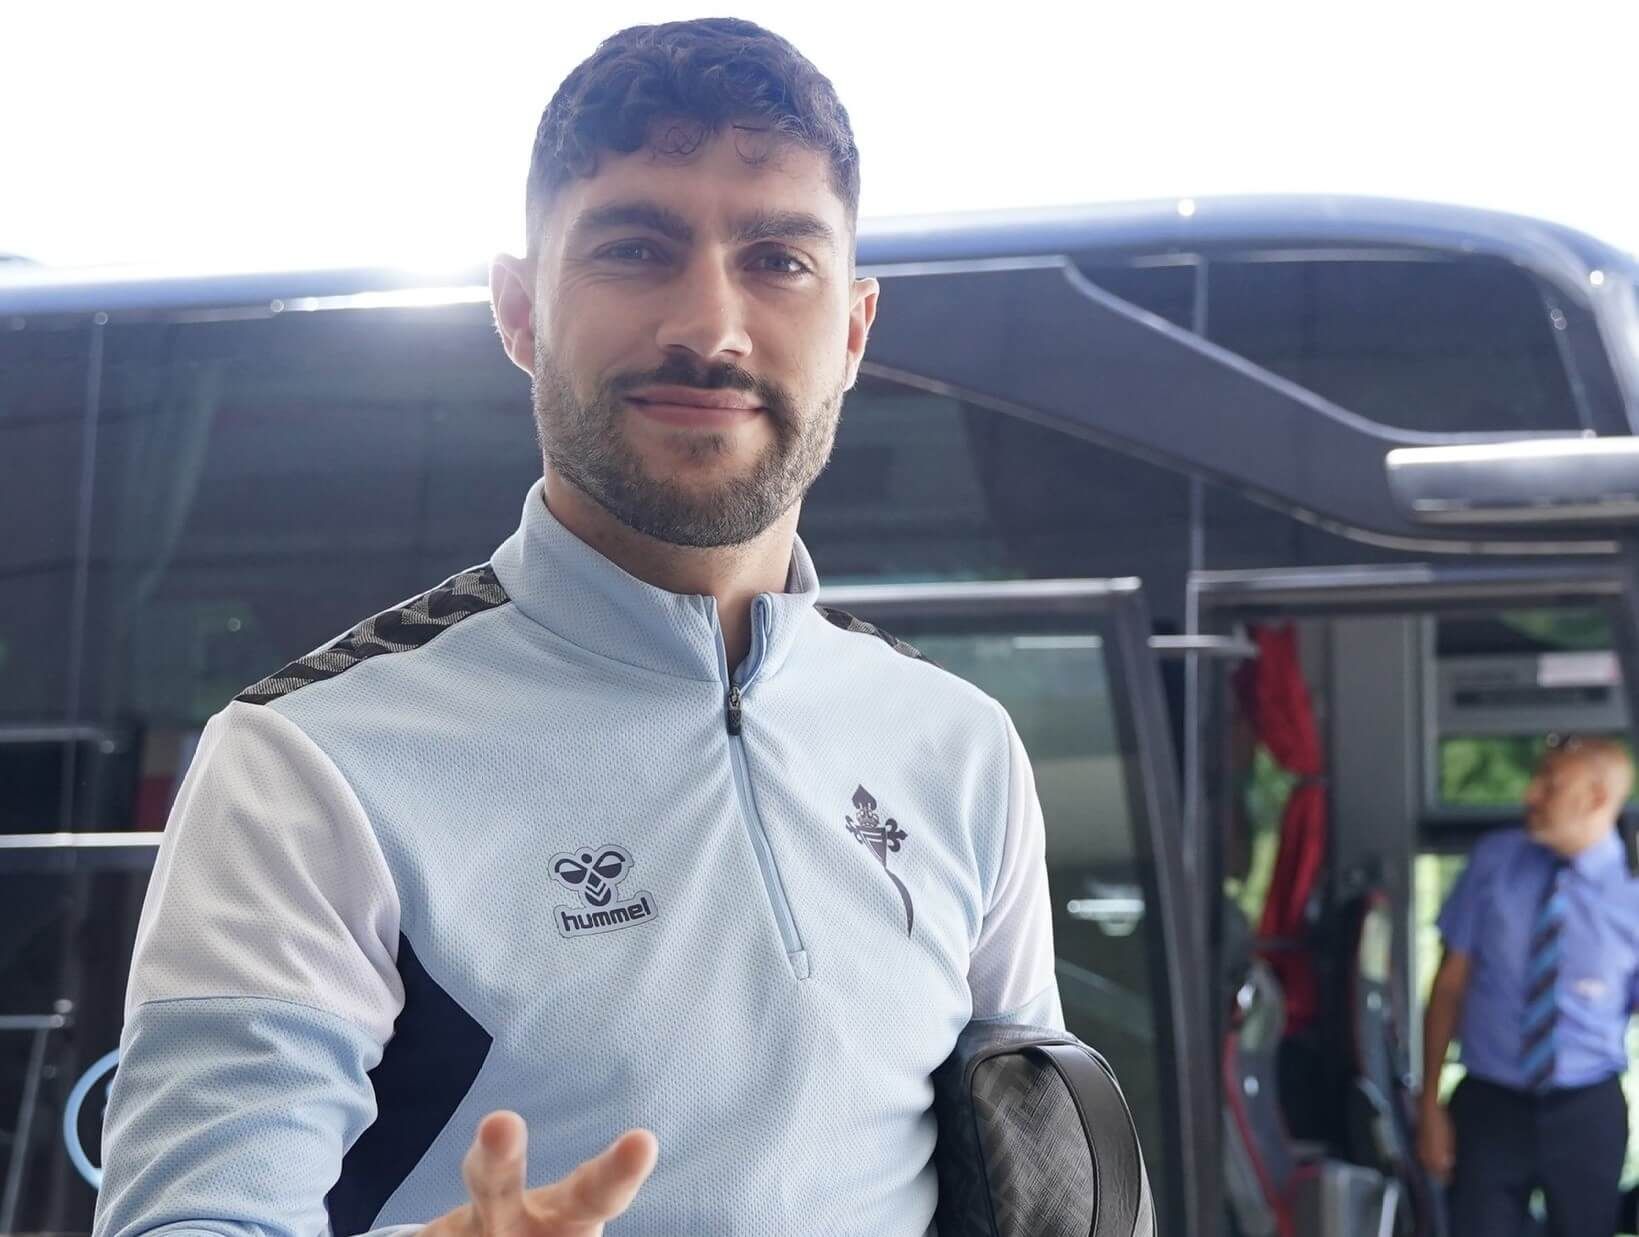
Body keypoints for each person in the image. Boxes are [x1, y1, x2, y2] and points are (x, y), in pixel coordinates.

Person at [91, 18, 1063, 1237]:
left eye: (778, 259)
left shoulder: (957, 745)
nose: (710, 326)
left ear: (856, 330)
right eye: (635, 247)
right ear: (518, 310)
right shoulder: (309, 762)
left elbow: (1038, 1188)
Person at [1417, 734, 1639, 1237]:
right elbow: (1449, 987)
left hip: (1586, 1109)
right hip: (1490, 1103)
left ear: (1597, 797)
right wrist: (1428, 1103)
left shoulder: (1632, 894)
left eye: (1550, 785)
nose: (1530, 795)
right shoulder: (1495, 861)